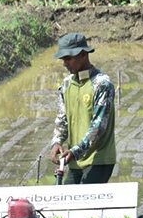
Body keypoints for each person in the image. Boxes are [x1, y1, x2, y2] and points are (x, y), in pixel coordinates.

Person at [50, 33, 116, 184]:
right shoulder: (66, 85)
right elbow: (62, 120)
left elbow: (98, 127)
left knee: (87, 205)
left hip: (98, 159)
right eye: (63, 59)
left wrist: (74, 151)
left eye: (68, 58)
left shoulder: (101, 84)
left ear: (84, 54)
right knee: (66, 202)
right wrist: (56, 142)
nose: (65, 63)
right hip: (74, 160)